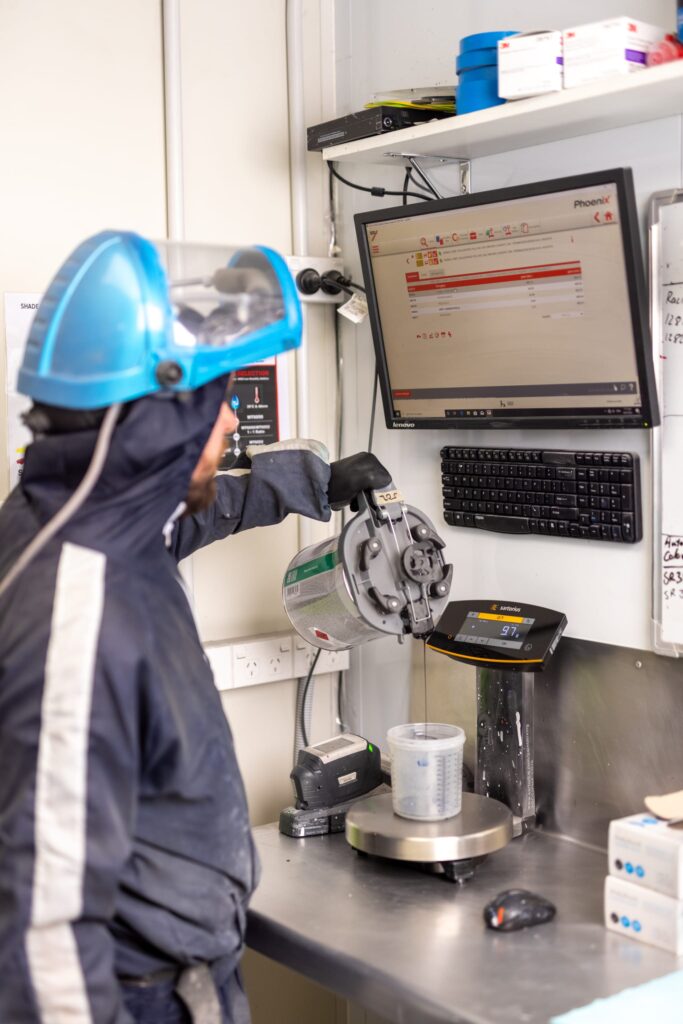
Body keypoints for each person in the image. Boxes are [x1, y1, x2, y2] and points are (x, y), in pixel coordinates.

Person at [0, 232, 390, 1024]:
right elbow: (42, 930)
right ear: (158, 423)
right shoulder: (77, 611)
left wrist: (313, 481)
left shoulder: (81, 520)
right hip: (133, 997)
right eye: (213, 410)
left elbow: (190, 516)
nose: (225, 432)